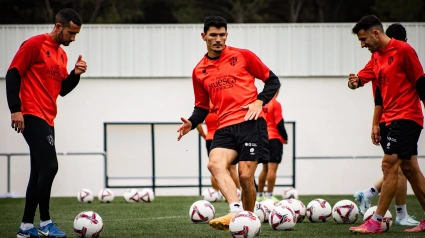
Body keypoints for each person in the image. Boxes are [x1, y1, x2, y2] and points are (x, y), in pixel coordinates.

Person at [177, 16, 280, 231]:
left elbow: (273, 80)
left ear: (227, 35)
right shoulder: (199, 71)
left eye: (222, 35)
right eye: (213, 35)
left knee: (244, 177)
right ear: (203, 36)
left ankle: (249, 220)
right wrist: (192, 122)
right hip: (224, 127)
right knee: (214, 165)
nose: (218, 39)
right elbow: (202, 106)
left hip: (250, 123)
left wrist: (259, 102)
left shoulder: (243, 55)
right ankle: (235, 211)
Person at [6, 8, 86, 238]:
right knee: (51, 167)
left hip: (48, 117)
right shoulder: (34, 44)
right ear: (58, 27)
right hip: (31, 113)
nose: (73, 38)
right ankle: (45, 222)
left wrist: (76, 74)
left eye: (76, 34)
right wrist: (16, 110)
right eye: (71, 33)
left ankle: (26, 227)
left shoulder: (62, 55)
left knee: (38, 170)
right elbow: (13, 73)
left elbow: (62, 90)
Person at [347, 15, 425, 234]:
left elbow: (421, 82)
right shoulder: (376, 57)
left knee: (389, 165)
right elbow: (361, 80)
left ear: (375, 33)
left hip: (407, 116)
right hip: (388, 119)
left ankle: (376, 221)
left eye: (363, 39)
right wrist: (353, 82)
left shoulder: (403, 50)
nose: (362, 44)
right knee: (410, 169)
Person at [196, 103, 242, 194]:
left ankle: (215, 193)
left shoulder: (205, 104)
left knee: (215, 167)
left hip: (210, 138)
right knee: (232, 168)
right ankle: (237, 192)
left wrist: (204, 135)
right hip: (225, 137)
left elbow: (197, 122)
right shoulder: (221, 102)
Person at [256, 92, 288, 202]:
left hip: (262, 138)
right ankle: (269, 196)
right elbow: (279, 122)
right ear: (277, 91)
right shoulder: (275, 104)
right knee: (272, 169)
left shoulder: (261, 104)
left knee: (264, 168)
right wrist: (285, 137)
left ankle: (259, 195)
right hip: (274, 138)